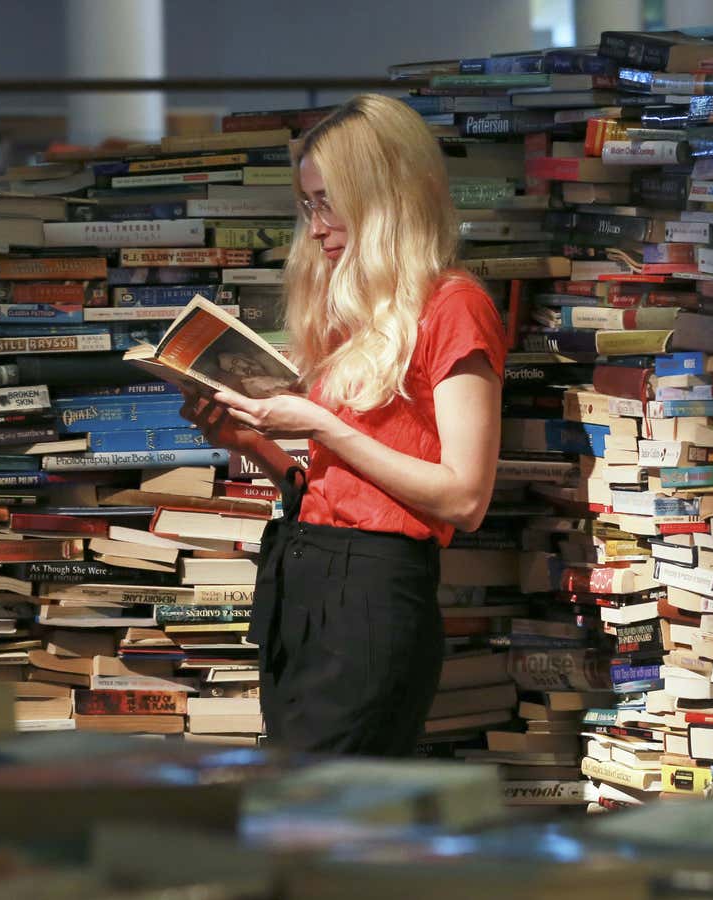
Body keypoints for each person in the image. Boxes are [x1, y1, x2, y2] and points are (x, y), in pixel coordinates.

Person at [178, 94, 506, 756]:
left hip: (372, 592)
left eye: (328, 201)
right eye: (308, 205)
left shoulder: (454, 306)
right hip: (303, 579)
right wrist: (253, 445)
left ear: (382, 195)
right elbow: (345, 489)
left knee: (323, 819)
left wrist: (322, 426)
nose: (317, 225)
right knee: (304, 822)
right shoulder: (359, 310)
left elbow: (465, 499)